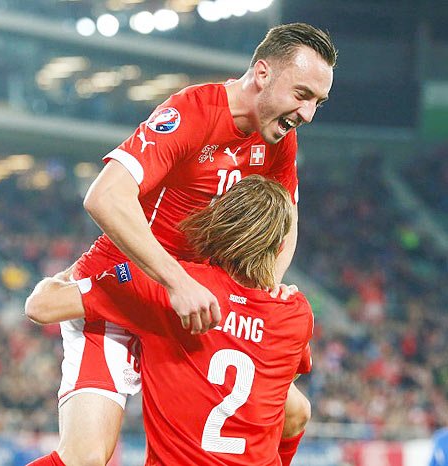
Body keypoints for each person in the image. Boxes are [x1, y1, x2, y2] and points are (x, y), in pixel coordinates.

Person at [51, 22, 336, 466]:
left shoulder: (279, 138)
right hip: (131, 288)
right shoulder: (193, 111)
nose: (309, 113)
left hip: (198, 304)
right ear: (262, 73)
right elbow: (104, 196)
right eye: (302, 94)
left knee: (295, 413)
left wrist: (259, 292)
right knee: (85, 457)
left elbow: (286, 220)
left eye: (318, 101)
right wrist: (177, 281)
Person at [26, 175, 314, 465]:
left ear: (214, 223)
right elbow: (281, 379)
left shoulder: (173, 288)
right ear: (278, 249)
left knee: (81, 459)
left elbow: (41, 307)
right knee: (298, 409)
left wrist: (71, 274)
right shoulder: (296, 313)